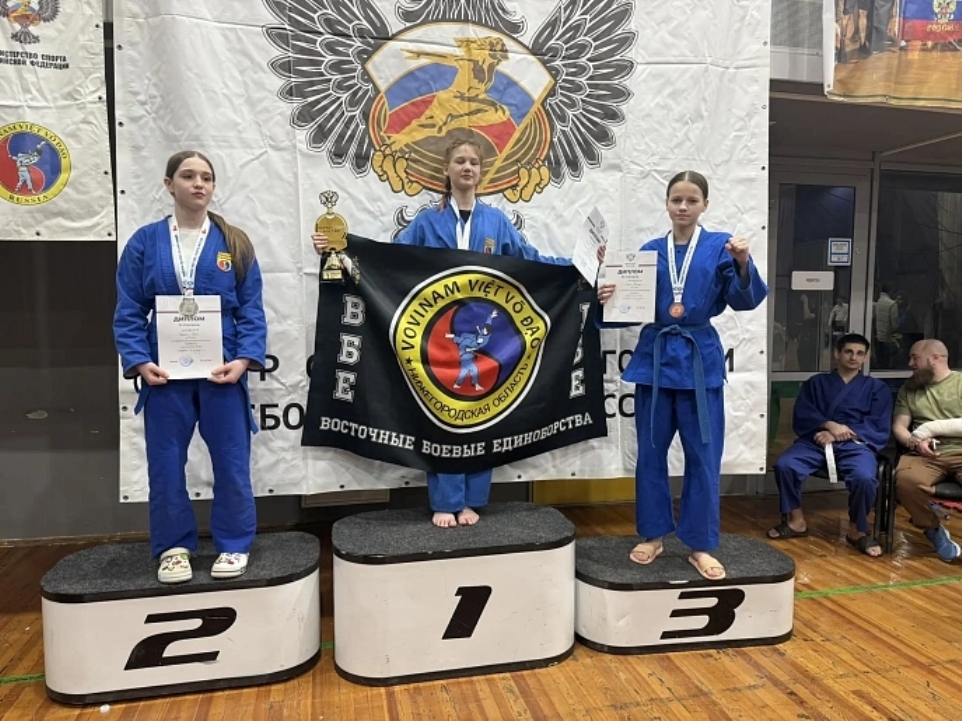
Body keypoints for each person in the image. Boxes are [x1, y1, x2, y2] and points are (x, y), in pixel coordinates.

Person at [312, 136, 574, 529]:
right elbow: (390, 260)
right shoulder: (426, 222)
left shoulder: (496, 222)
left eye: (474, 162)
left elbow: (532, 261)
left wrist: (579, 267)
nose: (467, 167)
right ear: (447, 170)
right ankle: (445, 500)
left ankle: (472, 500)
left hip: (486, 332)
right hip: (437, 331)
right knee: (441, 414)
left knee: (482, 412)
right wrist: (339, 250)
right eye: (460, 161)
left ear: (481, 172)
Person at [596, 170, 768, 580]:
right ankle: (653, 535)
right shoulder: (650, 252)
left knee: (703, 457)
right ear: (667, 204)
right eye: (677, 199)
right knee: (651, 454)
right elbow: (627, 310)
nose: (683, 207)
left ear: (705, 204)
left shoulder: (721, 246)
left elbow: (744, 300)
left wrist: (743, 263)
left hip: (698, 362)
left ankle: (701, 544)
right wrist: (608, 294)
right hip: (656, 362)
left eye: (692, 200)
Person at [113, 150, 267, 583]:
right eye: (188, 176)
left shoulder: (234, 241)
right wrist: (140, 361)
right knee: (165, 466)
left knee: (231, 463)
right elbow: (129, 308)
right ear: (169, 184)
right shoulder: (145, 242)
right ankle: (173, 548)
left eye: (206, 177)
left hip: (222, 370)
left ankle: (234, 544)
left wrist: (243, 359)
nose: (199, 184)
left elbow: (251, 308)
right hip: (165, 373)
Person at [767, 334, 892, 556]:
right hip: (816, 440)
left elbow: (877, 423)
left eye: (860, 353)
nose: (853, 357)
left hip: (856, 444)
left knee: (864, 477)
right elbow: (803, 413)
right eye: (848, 351)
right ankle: (796, 521)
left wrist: (839, 434)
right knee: (785, 465)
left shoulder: (876, 388)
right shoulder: (816, 383)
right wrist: (827, 425)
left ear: (865, 358)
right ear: (837, 354)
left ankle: (857, 529)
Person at [892, 339, 962, 562]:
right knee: (906, 482)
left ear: (935, 358)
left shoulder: (960, 383)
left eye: (915, 357)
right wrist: (915, 442)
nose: (910, 363)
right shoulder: (909, 388)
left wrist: (932, 429)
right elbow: (899, 427)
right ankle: (932, 529)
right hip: (924, 454)